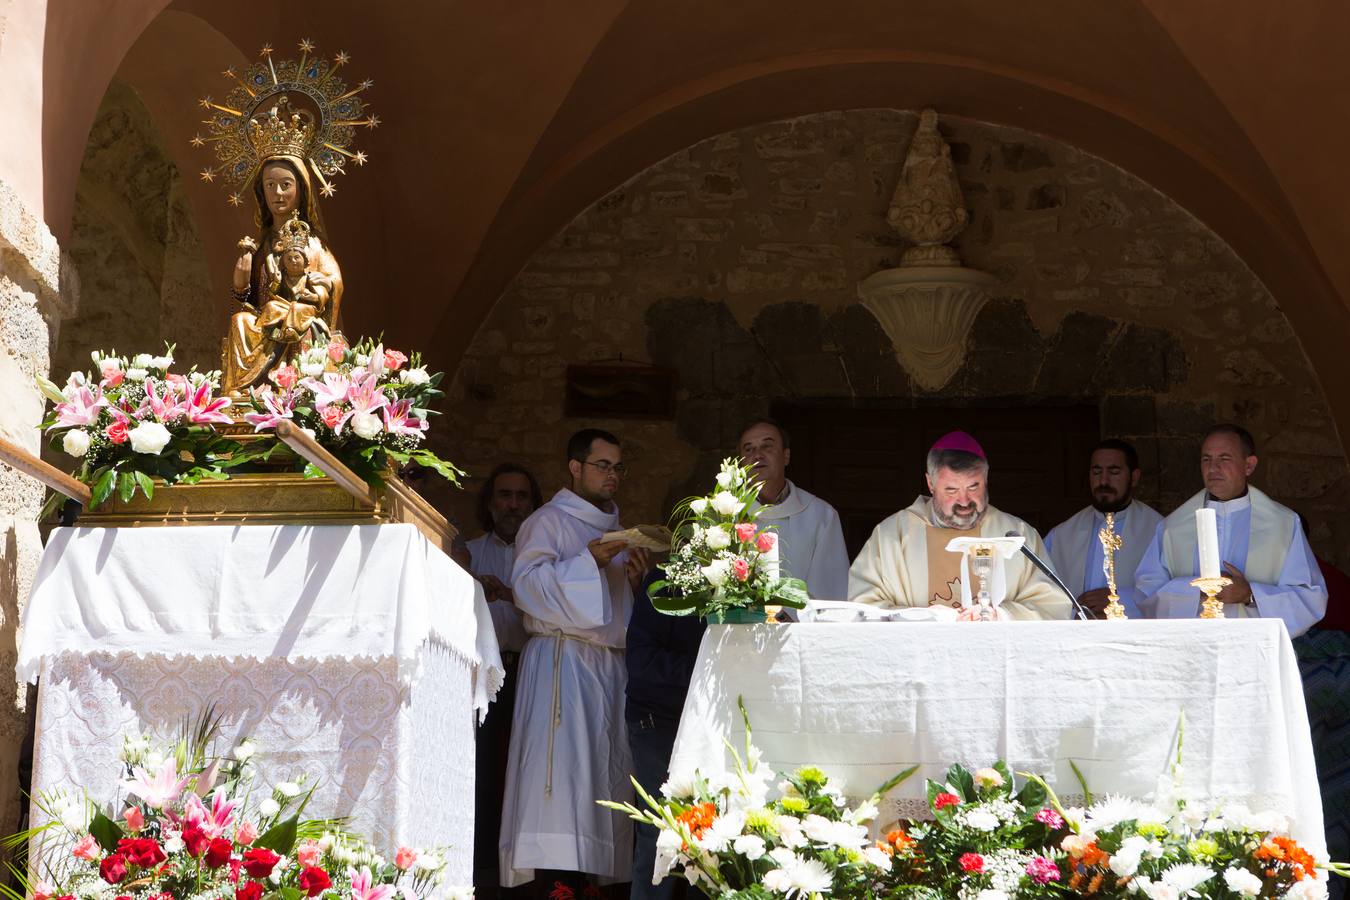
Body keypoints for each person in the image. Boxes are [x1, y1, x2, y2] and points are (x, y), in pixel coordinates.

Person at [500, 429, 650, 895]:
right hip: (562, 663)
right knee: (561, 782)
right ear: (575, 467)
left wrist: (637, 579)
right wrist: (589, 561)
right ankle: (554, 884)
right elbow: (525, 588)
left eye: (618, 467)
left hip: (609, 667)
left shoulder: (619, 528)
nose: (612, 475)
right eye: (602, 465)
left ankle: (593, 886)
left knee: (603, 781)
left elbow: (622, 613)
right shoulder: (549, 522)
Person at [848, 430, 1070, 619]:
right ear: (930, 484)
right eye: (952, 490)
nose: (964, 502)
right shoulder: (892, 536)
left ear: (986, 478)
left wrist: (1001, 615)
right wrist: (920, 618)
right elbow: (861, 606)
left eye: (973, 487)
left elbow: (1052, 605)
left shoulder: (1015, 535)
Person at [1135, 424, 1327, 635]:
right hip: (1193, 647)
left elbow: (1310, 599)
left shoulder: (1283, 524)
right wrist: (1196, 590)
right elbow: (1147, 592)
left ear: (1249, 465)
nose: (1212, 468)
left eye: (1224, 459)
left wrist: (1250, 595)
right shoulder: (1174, 526)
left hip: (1254, 650)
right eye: (1206, 459)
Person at [468, 463, 542, 896]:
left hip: (530, 670)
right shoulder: (471, 552)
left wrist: (513, 594)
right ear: (489, 502)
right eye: (504, 495)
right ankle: (481, 871)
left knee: (527, 774)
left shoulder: (544, 557)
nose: (513, 504)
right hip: (483, 676)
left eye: (521, 496)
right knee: (484, 772)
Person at [223, 137, 343, 394]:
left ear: (301, 189)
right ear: (261, 192)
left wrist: (322, 287)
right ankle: (243, 391)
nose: (277, 193)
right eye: (270, 185)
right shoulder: (261, 247)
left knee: (305, 324)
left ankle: (296, 389)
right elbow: (249, 299)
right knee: (240, 321)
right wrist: (241, 280)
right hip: (267, 320)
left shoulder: (314, 246)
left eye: (285, 185)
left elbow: (334, 282)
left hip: (300, 318)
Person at [625, 568, 703, 899]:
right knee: (662, 835)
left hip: (709, 722)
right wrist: (707, 667)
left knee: (713, 837)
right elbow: (641, 661)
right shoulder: (665, 582)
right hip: (659, 720)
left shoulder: (743, 588)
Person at [1044, 439, 1162, 618]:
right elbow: (1040, 590)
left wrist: (1121, 600)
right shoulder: (1061, 535)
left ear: (1134, 477)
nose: (1103, 481)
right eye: (1096, 471)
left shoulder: (1159, 530)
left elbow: (1169, 590)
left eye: (1114, 471)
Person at [739, 419, 849, 600]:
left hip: (801, 626)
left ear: (786, 456)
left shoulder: (821, 515)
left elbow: (831, 586)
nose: (757, 455)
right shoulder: (724, 515)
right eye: (749, 449)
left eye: (767, 446)